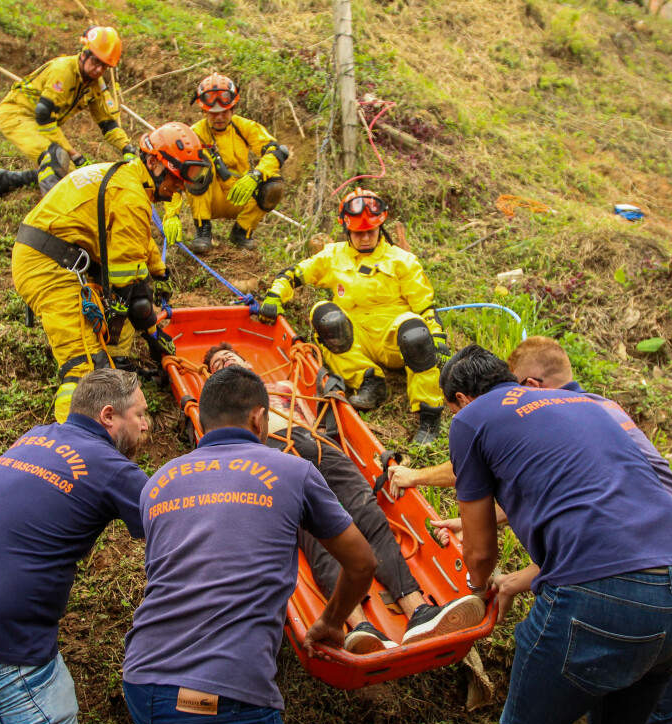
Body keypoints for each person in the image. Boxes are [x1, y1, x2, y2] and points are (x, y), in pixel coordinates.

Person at [392, 336, 672, 724]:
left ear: (462, 399)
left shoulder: (471, 418)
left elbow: (481, 553)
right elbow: (591, 493)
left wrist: (476, 594)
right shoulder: (595, 406)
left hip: (599, 597)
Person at [120, 365, 374, 724]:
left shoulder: (157, 483)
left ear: (203, 423)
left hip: (141, 681)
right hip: (221, 698)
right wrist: (332, 621)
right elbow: (362, 563)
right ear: (259, 418)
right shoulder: (292, 470)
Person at [204, 343, 486, 653]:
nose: (226, 359)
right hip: (273, 454)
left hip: (317, 444)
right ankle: (358, 625)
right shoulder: (224, 407)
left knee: (369, 516)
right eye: (218, 363)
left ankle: (418, 610)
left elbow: (316, 416)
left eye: (229, 355)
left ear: (246, 358)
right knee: (317, 535)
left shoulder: (284, 385)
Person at [0, 369, 150, 724]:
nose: (146, 426)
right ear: (108, 415)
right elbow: (177, 521)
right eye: (140, 415)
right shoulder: (113, 469)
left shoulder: (35, 437)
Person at [12, 121, 212, 422]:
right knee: (86, 371)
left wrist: (159, 274)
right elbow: (124, 289)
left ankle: (115, 358)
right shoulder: (132, 195)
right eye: (176, 176)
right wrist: (151, 330)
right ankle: (73, 446)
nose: (180, 186)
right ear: (155, 162)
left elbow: (136, 243)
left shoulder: (129, 179)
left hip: (63, 254)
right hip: (49, 266)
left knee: (137, 293)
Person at [258, 188, 449, 444]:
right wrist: (274, 295)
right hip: (355, 338)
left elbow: (425, 306)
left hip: (393, 338)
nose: (366, 237)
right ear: (347, 230)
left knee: (416, 334)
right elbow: (295, 273)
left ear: (380, 227)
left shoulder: (403, 261)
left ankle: (429, 415)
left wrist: (436, 335)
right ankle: (369, 381)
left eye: (371, 231)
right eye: (359, 233)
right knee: (324, 315)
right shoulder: (332, 255)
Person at [0, 26, 139, 198]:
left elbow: (108, 123)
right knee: (55, 159)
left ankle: (2, 180)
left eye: (104, 66)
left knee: (73, 176)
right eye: (96, 62)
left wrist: (127, 147)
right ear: (84, 54)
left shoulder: (95, 84)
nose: (98, 70)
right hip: (17, 115)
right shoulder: (62, 71)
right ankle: (50, 217)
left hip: (41, 122)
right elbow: (44, 119)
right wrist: (75, 154)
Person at [162, 73, 289, 253]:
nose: (219, 117)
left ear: (233, 108)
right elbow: (175, 174)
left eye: (224, 112)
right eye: (213, 113)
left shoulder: (245, 127)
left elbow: (276, 151)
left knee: (273, 184)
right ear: (204, 111)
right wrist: (171, 215)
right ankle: (203, 231)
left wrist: (257, 174)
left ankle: (242, 231)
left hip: (241, 195)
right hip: (208, 197)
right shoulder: (193, 134)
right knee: (198, 166)